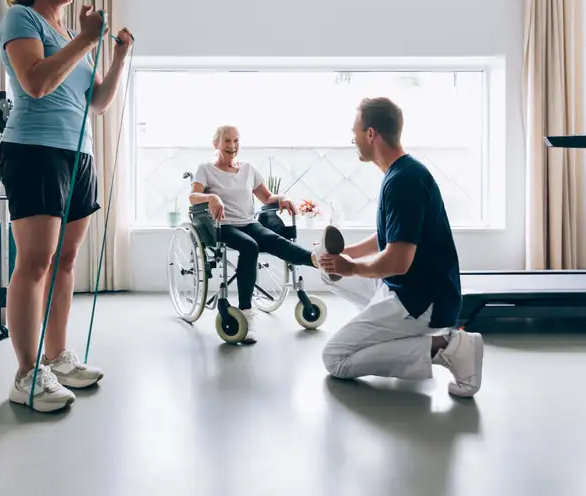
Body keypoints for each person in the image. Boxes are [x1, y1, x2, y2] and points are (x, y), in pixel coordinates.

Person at [0, 0, 132, 412]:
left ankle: (57, 358)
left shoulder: (74, 36)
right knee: (35, 261)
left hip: (78, 155)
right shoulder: (23, 19)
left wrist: (115, 57)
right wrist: (84, 40)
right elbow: (34, 83)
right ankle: (26, 373)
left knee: (66, 261)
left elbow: (96, 103)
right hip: (34, 150)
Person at [317, 97, 483, 397]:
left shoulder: (403, 182)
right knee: (331, 274)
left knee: (335, 359)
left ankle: (449, 347)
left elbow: (398, 262)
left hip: (420, 302)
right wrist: (348, 256)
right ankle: (386, 336)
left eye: (354, 131)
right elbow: (390, 237)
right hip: (407, 289)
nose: (352, 138)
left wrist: (352, 267)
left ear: (371, 134)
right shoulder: (401, 173)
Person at [190, 125, 323, 343]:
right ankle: (246, 313)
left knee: (273, 239)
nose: (232, 146)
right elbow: (193, 196)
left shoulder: (248, 169)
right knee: (250, 246)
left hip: (248, 222)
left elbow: (266, 197)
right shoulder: (206, 169)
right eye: (226, 141)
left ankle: (315, 260)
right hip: (222, 226)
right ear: (216, 144)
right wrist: (211, 198)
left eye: (236, 141)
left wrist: (282, 198)